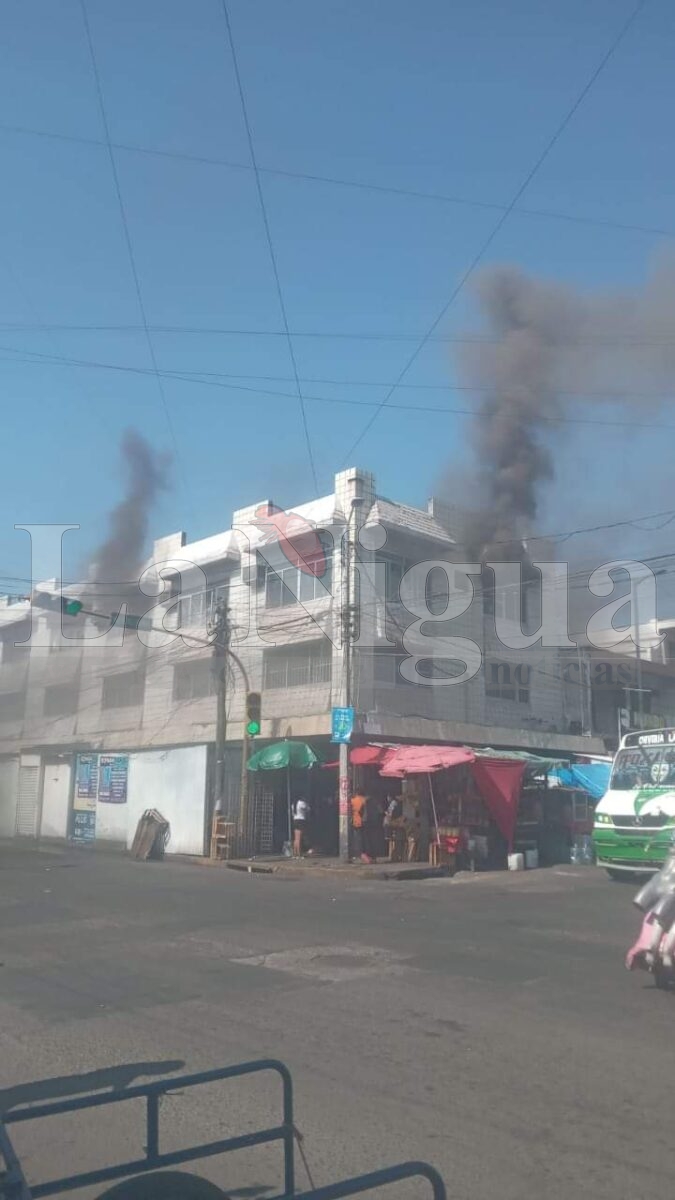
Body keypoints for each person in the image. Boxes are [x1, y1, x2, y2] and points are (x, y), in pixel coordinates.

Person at [350, 790, 368, 862]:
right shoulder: (364, 800)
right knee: (363, 838)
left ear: (356, 793)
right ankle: (363, 853)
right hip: (364, 822)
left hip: (356, 821)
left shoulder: (353, 800)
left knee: (356, 839)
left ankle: (358, 854)